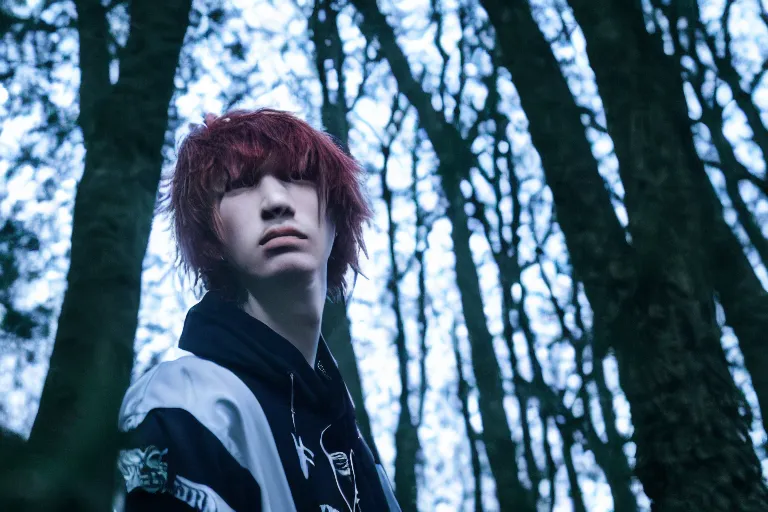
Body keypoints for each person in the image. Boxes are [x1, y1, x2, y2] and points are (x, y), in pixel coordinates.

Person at [116, 108, 401, 512]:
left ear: (337, 214)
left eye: (297, 177)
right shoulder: (183, 405)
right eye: (241, 185)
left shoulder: (359, 458)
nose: (276, 202)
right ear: (211, 234)